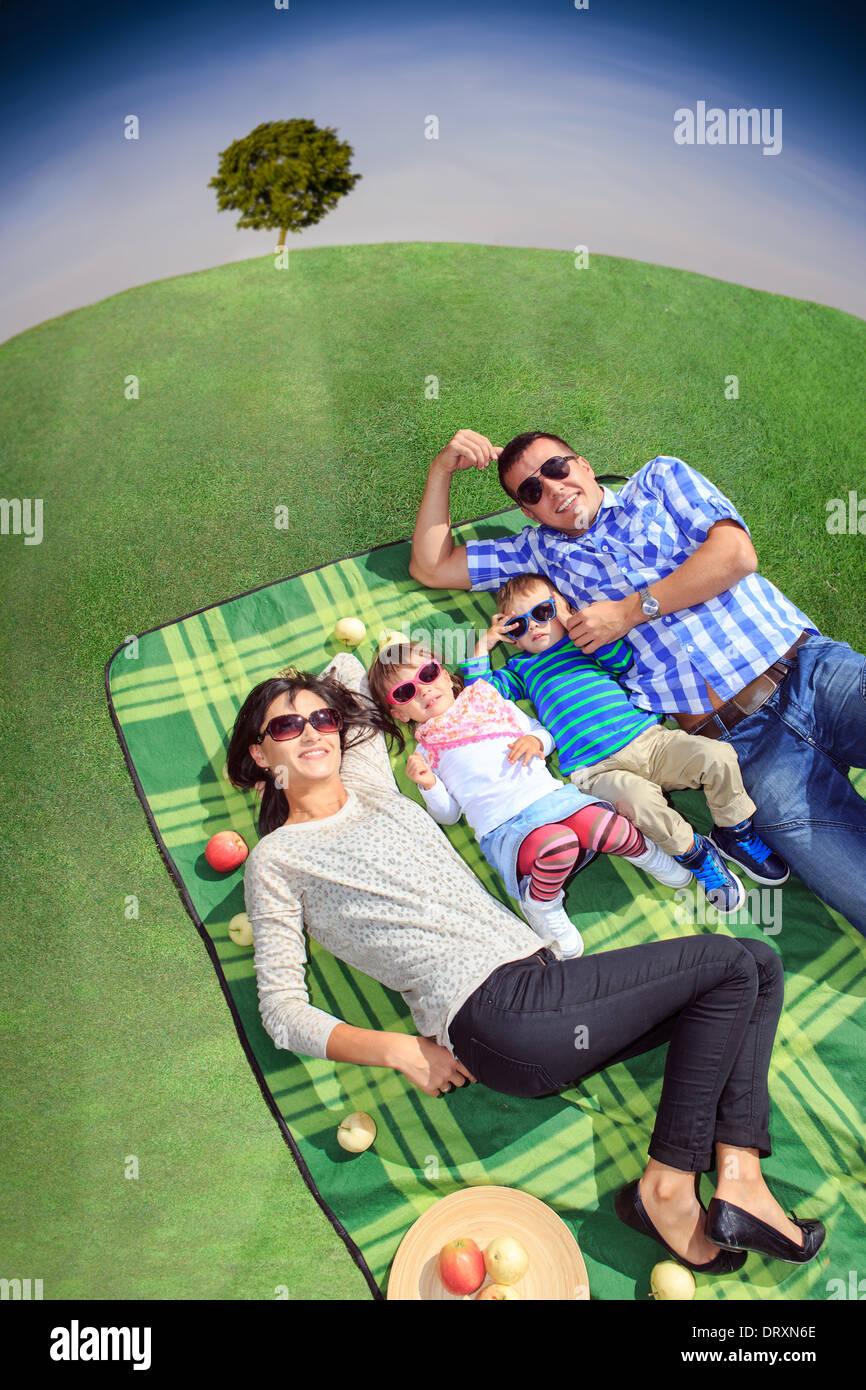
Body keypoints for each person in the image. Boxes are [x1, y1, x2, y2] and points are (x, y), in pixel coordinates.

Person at [225, 649, 824, 1273]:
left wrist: (303, 691)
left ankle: (732, 1173)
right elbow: (282, 1012)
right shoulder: (278, 859)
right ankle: (672, 1185)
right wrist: (401, 1051)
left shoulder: (371, 781)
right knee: (729, 964)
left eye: (321, 719)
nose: (313, 733)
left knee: (756, 967)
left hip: (545, 1003)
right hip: (492, 1014)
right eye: (285, 728)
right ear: (260, 757)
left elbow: (350, 668)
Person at [409, 428, 866, 937]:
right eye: (532, 491)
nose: (552, 487)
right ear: (528, 512)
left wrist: (629, 612)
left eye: (556, 467)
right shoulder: (537, 557)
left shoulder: (659, 480)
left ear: (582, 463)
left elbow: (736, 556)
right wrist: (441, 468)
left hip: (811, 669)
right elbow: (431, 564)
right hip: (739, 743)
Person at [462, 571, 789, 914]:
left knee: (717, 755)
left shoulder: (586, 644)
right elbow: (480, 697)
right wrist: (485, 644)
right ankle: (696, 853)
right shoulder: (520, 670)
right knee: (641, 803)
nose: (533, 627)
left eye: (542, 613)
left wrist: (573, 620)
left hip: (647, 740)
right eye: (518, 625)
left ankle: (734, 830)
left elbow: (622, 661)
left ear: (559, 608)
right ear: (511, 637)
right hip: (597, 769)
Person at [365, 640, 688, 960]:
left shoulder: (489, 702)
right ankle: (541, 903)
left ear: (447, 676)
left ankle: (645, 855)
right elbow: (448, 815)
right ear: (399, 713)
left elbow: (540, 731)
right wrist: (429, 784)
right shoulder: (427, 751)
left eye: (428, 673)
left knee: (611, 827)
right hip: (508, 827)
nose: (422, 689)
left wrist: (535, 740)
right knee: (557, 845)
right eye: (404, 692)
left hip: (552, 799)